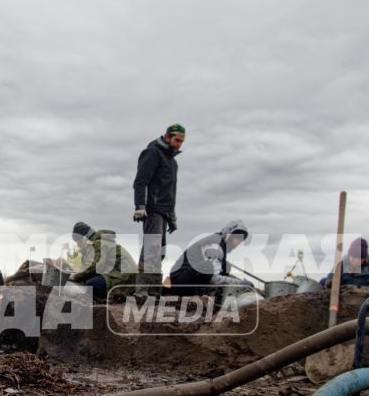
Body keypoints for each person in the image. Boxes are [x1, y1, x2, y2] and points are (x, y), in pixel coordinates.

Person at [133, 125, 184, 281]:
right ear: (167, 137)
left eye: (182, 141)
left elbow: (171, 193)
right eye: (176, 140)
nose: (179, 144)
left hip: (164, 212)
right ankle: (141, 292)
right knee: (151, 250)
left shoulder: (172, 163)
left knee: (160, 252)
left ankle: (154, 292)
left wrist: (172, 217)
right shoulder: (153, 153)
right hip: (152, 209)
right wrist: (140, 206)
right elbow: (141, 181)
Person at [170, 220, 251, 290]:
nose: (238, 242)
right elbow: (213, 278)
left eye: (241, 239)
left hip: (186, 277)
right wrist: (239, 283)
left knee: (226, 266)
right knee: (208, 266)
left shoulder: (220, 243)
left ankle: (209, 293)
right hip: (178, 282)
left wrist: (238, 281)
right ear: (227, 234)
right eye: (236, 238)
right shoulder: (215, 246)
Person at [69, 221, 138, 297]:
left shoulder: (98, 243)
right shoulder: (96, 243)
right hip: (124, 275)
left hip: (124, 277)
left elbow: (95, 265)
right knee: (88, 281)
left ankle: (117, 295)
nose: (77, 245)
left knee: (91, 284)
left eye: (77, 241)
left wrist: (75, 276)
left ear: (84, 237)